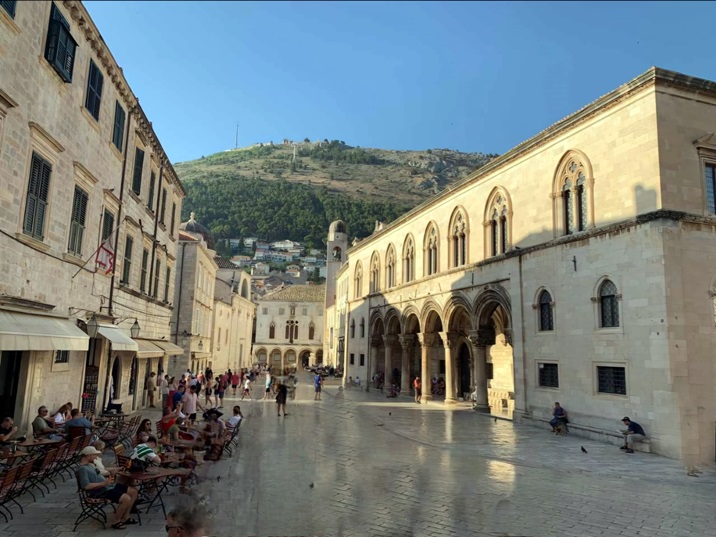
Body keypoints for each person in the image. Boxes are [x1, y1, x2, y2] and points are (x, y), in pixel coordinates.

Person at [76, 446, 139, 529]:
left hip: (108, 486)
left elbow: (100, 472)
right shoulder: (82, 469)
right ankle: (116, 522)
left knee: (134, 491)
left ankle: (125, 517)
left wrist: (116, 469)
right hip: (101, 491)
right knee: (126, 498)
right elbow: (86, 486)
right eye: (94, 455)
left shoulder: (90, 464)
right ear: (88, 455)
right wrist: (103, 483)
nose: (96, 457)